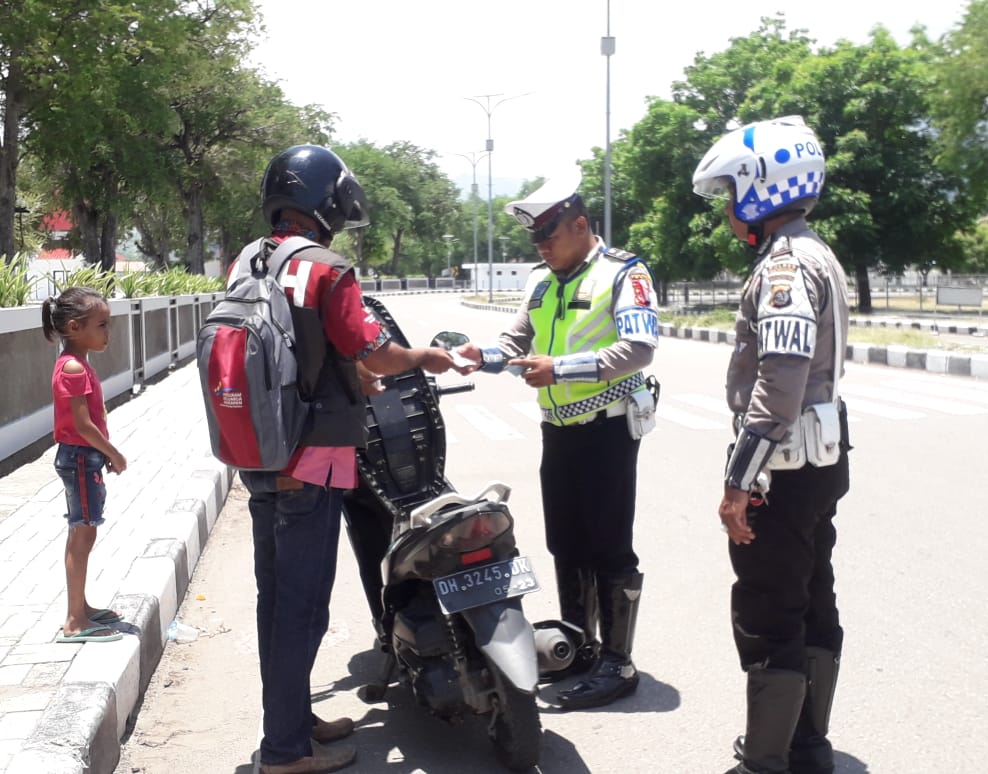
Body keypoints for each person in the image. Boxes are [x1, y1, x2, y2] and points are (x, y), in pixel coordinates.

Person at [236, 144, 459, 774]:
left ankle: (292, 722)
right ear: (324, 202)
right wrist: (423, 358)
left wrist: (347, 376)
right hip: (313, 458)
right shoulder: (325, 268)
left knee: (273, 597)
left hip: (259, 452)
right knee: (303, 605)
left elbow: (293, 352)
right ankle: (284, 752)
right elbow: (375, 352)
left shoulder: (247, 261)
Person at [455, 171, 659, 710]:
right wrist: (485, 355)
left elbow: (638, 349)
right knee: (565, 542)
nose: (543, 247)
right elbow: (516, 338)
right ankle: (581, 646)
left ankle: (619, 662)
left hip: (609, 429)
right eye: (537, 240)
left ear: (582, 225)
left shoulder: (624, 274)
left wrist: (564, 368)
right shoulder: (541, 281)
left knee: (610, 544)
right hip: (558, 431)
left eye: (552, 236)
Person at [692, 116, 851, 774]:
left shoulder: (785, 267)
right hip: (819, 462)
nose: (728, 208)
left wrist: (739, 482)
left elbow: (780, 382)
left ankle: (766, 761)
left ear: (761, 191)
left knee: (769, 611)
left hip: (781, 472)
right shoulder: (816, 251)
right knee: (813, 598)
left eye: (732, 192)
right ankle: (807, 745)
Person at [43, 287, 128, 644]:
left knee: (83, 531)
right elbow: (82, 424)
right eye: (102, 325)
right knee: (83, 533)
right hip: (80, 456)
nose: (108, 332)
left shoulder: (76, 363)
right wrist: (114, 452)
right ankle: (75, 620)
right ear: (75, 327)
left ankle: (82, 607)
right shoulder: (74, 366)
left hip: (82, 456)